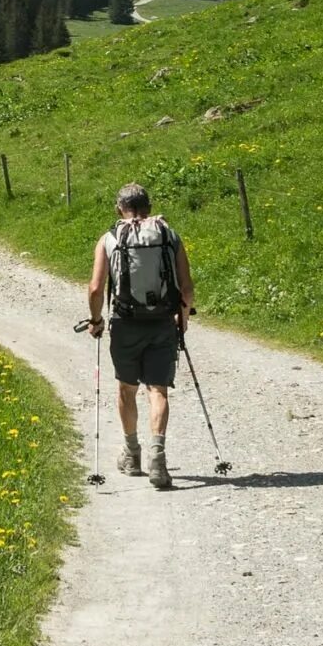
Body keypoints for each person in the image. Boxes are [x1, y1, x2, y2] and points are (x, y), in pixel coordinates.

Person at [86, 182, 195, 489]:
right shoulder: (169, 235)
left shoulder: (109, 238)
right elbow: (186, 288)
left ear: (119, 208)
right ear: (149, 206)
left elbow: (95, 288)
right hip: (162, 321)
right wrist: (182, 321)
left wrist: (96, 320)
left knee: (126, 388)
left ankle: (132, 454)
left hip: (125, 322)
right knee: (158, 390)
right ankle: (158, 457)